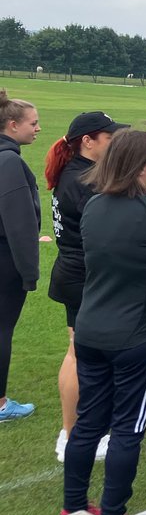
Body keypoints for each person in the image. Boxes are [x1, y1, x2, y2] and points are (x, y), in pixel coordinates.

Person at [63, 126, 146, 515]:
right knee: (127, 429)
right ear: (139, 167)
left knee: (87, 423)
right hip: (138, 333)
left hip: (90, 331)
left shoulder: (95, 207)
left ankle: (72, 508)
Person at [44, 111, 129, 460]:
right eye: (110, 137)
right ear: (87, 141)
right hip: (87, 276)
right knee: (81, 354)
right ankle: (74, 435)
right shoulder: (85, 180)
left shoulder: (75, 173)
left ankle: (78, 431)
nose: (115, 142)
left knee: (80, 352)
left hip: (75, 272)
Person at [0, 89, 41, 423]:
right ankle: (0, 404)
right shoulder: (10, 161)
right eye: (33, 123)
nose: (37, 128)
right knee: (1, 329)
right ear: (12, 125)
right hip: (5, 261)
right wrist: (29, 272)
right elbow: (19, 223)